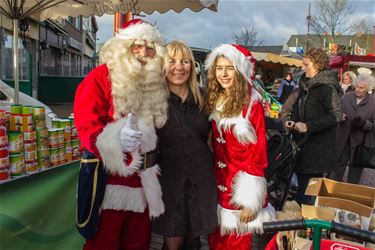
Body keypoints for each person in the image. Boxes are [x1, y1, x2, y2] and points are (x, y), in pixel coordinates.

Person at [74, 19, 169, 250]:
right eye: (137, 45)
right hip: (109, 184)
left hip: (143, 184)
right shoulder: (99, 77)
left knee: (138, 244)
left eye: (150, 48)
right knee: (103, 244)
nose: (144, 52)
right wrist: (115, 140)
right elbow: (86, 125)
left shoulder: (155, 84)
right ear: (123, 46)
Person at [205, 44, 275, 250]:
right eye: (219, 68)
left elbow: (258, 152)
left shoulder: (251, 104)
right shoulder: (217, 98)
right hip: (218, 186)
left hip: (239, 191)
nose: (223, 74)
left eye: (230, 68)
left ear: (240, 70)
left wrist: (250, 200)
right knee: (216, 240)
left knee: (236, 243)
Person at [152, 41, 217, 250]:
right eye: (172, 61)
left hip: (201, 179)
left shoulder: (205, 97)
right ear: (163, 65)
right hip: (171, 181)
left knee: (194, 239)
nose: (179, 67)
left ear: (192, 66)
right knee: (174, 240)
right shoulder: (155, 100)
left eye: (185, 61)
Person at [285, 48, 341, 205]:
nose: (303, 68)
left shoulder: (328, 87)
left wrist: (309, 126)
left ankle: (309, 226)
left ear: (317, 65)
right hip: (303, 146)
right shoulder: (305, 84)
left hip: (319, 151)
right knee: (302, 191)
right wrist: (292, 121)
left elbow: (335, 116)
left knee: (309, 196)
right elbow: (296, 107)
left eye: (306, 65)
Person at [331, 74, 375, 184]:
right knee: (338, 166)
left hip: (360, 141)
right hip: (343, 138)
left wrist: (364, 124)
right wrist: (339, 117)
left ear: (368, 88)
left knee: (355, 170)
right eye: (356, 87)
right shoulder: (346, 97)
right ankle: (332, 192)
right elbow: (335, 113)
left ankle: (350, 194)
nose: (358, 90)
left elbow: (373, 124)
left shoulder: (373, 102)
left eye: (362, 88)